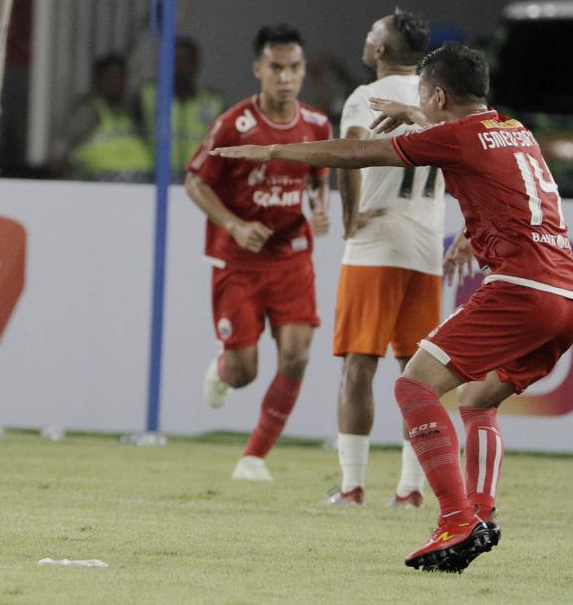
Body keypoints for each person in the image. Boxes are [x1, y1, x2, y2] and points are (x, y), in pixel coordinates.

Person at [210, 42, 564, 573]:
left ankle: (455, 518)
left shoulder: (455, 136)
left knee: (413, 384)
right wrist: (416, 114)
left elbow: (355, 155)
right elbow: (469, 138)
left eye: (424, 93)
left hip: (520, 287)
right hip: (565, 291)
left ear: (438, 93)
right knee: (479, 398)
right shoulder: (515, 129)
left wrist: (272, 152)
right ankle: (481, 516)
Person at [185, 23, 331, 481]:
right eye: (276, 68)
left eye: (294, 68)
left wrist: (321, 208)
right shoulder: (235, 125)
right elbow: (195, 181)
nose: (285, 78)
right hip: (239, 261)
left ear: (303, 70)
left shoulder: (317, 124)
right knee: (244, 371)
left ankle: (253, 457)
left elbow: (320, 176)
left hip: (292, 257)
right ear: (258, 70)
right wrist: (233, 223)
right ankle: (223, 367)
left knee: (297, 355)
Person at [327, 9, 438, 508]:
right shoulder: (439, 99)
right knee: (420, 376)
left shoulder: (365, 97)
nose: (368, 36)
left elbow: (350, 155)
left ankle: (352, 486)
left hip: (374, 246)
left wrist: (350, 216)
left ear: (379, 51)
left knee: (358, 367)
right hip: (427, 248)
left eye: (373, 32)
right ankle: (411, 490)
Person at [52, 55, 154, 182]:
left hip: (140, 183)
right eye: (110, 78)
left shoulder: (132, 112)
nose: (115, 83)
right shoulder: (88, 112)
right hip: (102, 185)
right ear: (98, 80)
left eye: (120, 78)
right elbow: (61, 153)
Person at [140, 36, 225, 181]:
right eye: (175, 60)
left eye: (186, 60)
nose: (180, 65)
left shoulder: (213, 101)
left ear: (196, 64)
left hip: (198, 177)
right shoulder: (148, 95)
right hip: (157, 179)